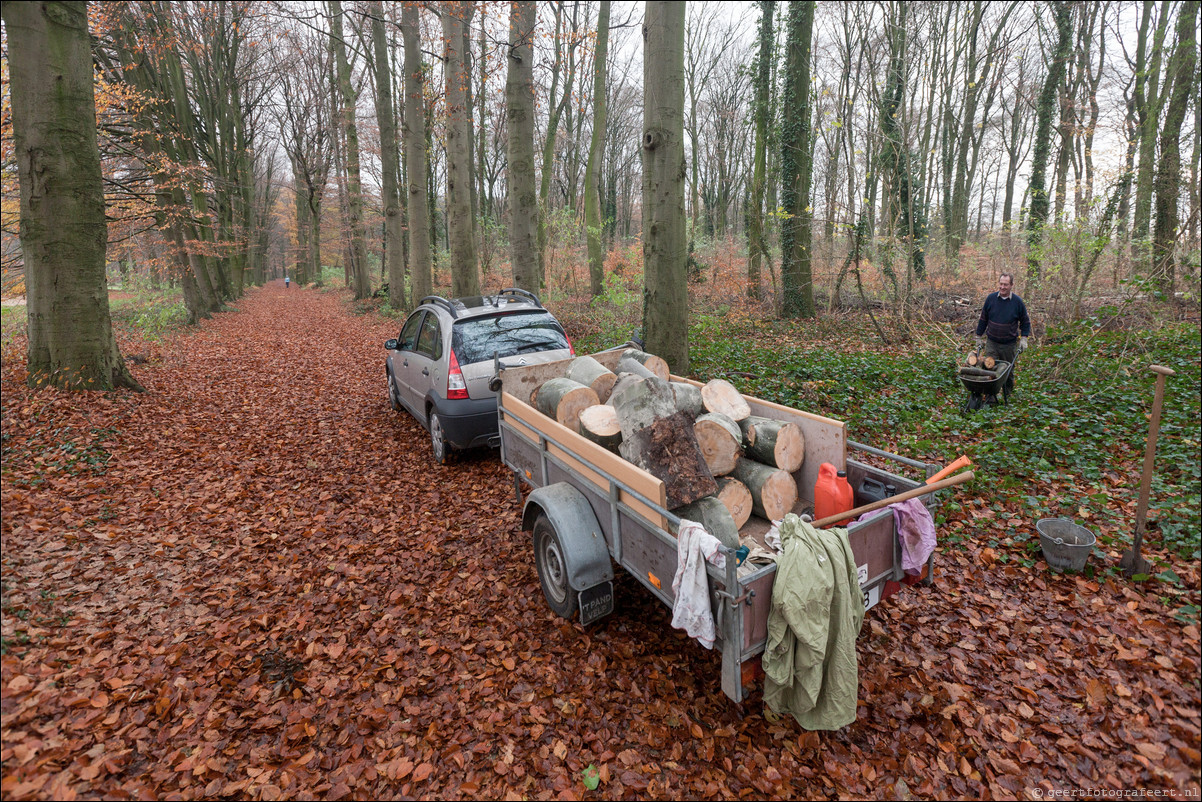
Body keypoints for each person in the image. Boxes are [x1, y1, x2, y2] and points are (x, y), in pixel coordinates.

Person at [974, 272, 1031, 399]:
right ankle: (990, 395)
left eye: (1006, 284)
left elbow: (1025, 322)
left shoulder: (1017, 302)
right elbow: (983, 319)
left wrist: (1024, 339)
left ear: (1011, 285)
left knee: (1008, 371)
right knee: (989, 367)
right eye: (1001, 284)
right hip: (992, 342)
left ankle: (1007, 394)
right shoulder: (991, 299)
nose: (1002, 287)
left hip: (1009, 344)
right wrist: (978, 336)